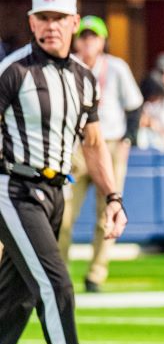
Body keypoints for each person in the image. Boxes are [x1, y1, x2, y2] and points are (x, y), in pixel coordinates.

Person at [0, 0, 129, 344]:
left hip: (56, 193)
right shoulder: (12, 71)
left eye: (59, 19)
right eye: (42, 18)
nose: (50, 26)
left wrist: (113, 197)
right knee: (57, 286)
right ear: (31, 22)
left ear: (75, 23)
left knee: (13, 302)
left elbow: (94, 145)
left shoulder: (82, 77)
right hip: (14, 189)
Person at [57, 15, 143, 293]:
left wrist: (129, 139)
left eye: (93, 36)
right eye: (84, 36)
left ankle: (96, 274)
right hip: (76, 146)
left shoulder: (116, 68)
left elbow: (134, 106)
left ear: (103, 41)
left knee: (108, 211)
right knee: (64, 213)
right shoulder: (67, 67)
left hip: (110, 143)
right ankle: (60, 273)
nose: (88, 41)